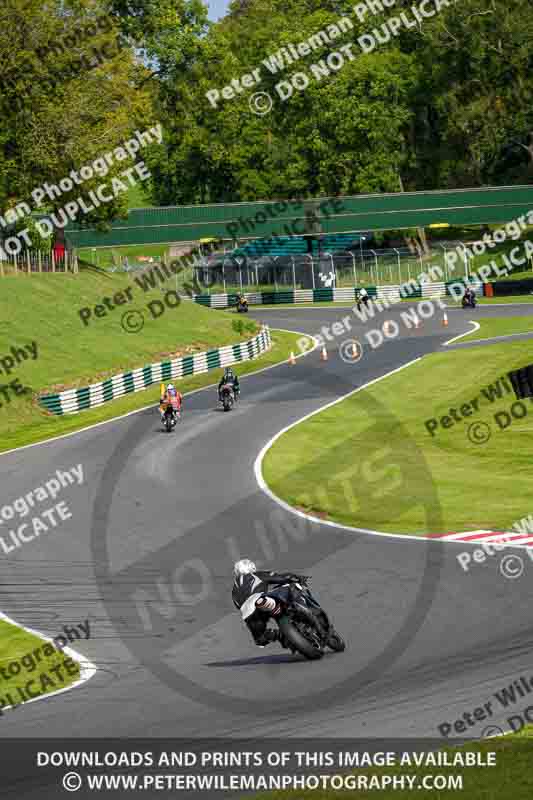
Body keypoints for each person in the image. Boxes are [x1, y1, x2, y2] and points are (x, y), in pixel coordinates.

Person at [232, 559, 306, 647]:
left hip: (249, 615)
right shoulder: (256, 575)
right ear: (251, 567)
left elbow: (238, 605)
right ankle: (300, 611)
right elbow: (280, 578)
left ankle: (281, 637)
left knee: (260, 639)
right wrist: (295, 577)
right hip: (263, 602)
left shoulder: (234, 590)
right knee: (288, 588)